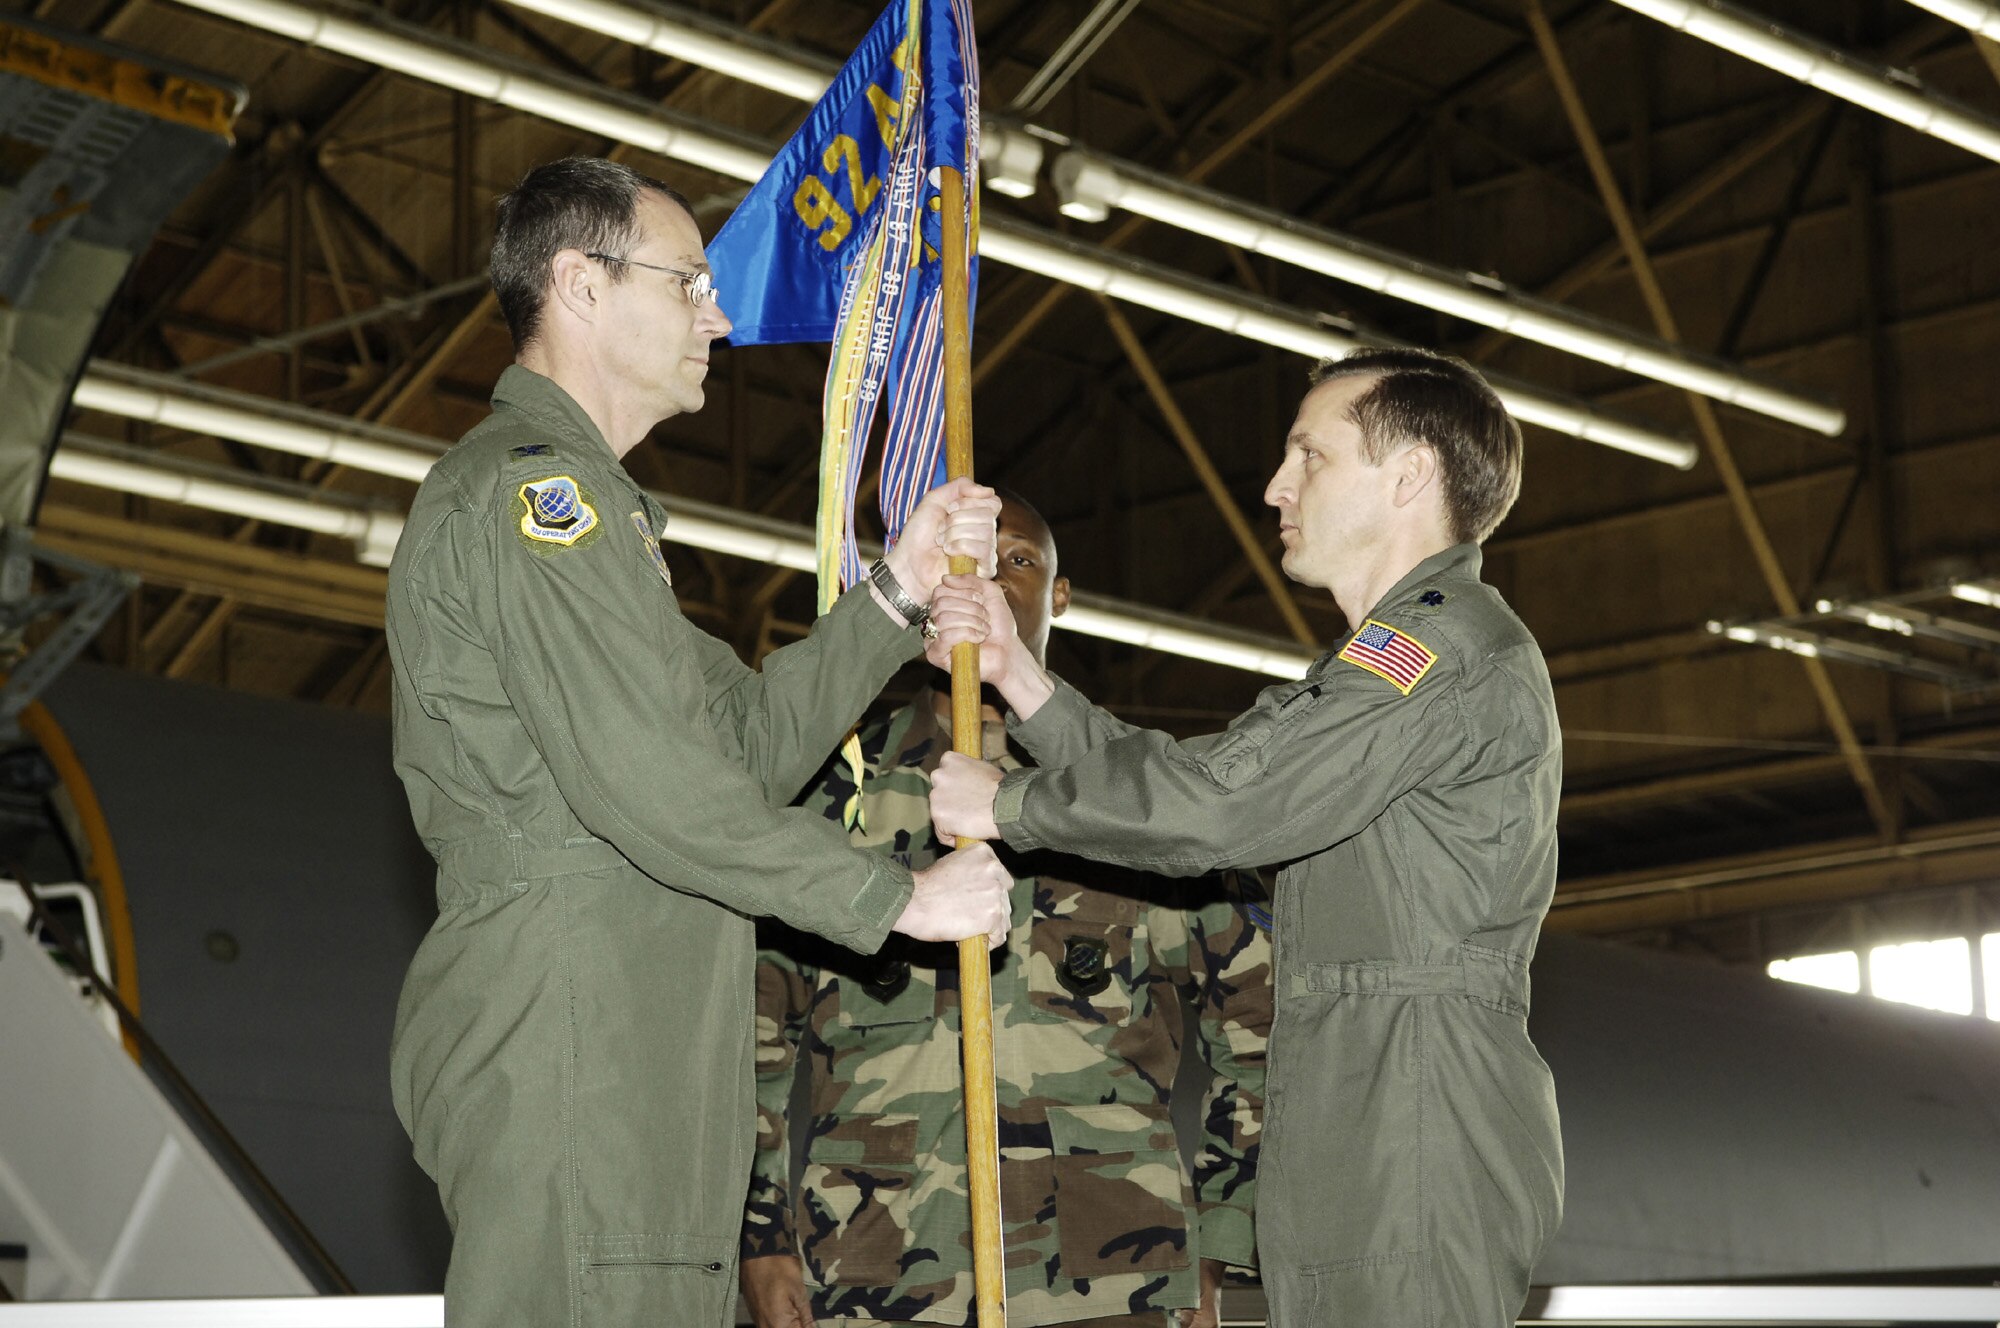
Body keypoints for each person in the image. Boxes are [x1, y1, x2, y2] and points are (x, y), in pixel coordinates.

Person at [384, 156, 1013, 1328]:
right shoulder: (535, 503)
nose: (716, 318)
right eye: (689, 283)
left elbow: (739, 746)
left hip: (632, 1027)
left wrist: (894, 589)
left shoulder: (595, 522)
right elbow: (656, 787)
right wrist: (895, 898)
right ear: (580, 284)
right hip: (577, 1024)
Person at [927, 348, 1564, 1328]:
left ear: (1409, 476)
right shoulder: (1393, 655)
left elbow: (1217, 809)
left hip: (1411, 1099)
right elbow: (1213, 781)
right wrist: (1022, 679)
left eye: (1310, 455)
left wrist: (1007, 804)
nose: (1275, 485)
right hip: (1366, 1092)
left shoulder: (1436, 648)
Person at [738, 492, 1272, 1328]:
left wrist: (1220, 1235)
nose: (983, 574)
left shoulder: (1135, 800)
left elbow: (1260, 1029)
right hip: (880, 1271)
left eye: (1015, 559)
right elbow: (753, 1036)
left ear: (1061, 595)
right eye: (962, 554)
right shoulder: (839, 793)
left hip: (1112, 1281)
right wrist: (761, 1236)